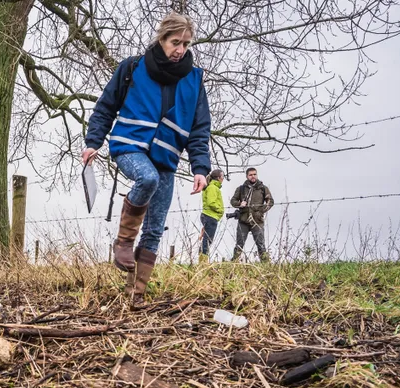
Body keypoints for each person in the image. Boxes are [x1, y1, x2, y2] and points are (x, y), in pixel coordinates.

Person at [83, 12, 212, 305]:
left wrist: (200, 168)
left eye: (186, 44)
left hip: (165, 157)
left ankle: (135, 296)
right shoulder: (132, 68)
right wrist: (93, 142)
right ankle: (124, 242)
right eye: (175, 42)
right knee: (147, 178)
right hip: (129, 146)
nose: (180, 50)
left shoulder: (194, 80)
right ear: (162, 39)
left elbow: (199, 128)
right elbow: (105, 108)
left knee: (155, 229)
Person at [230, 167, 273, 262]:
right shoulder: (241, 189)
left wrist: (261, 211)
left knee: (261, 245)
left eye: (254, 174)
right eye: (250, 175)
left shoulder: (263, 188)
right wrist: (239, 204)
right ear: (247, 176)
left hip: (257, 221)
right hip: (243, 220)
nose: (253, 176)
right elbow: (233, 201)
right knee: (239, 245)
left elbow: (270, 201)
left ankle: (266, 265)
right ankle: (233, 264)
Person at [199, 169, 224, 262]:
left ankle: (202, 260)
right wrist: (220, 209)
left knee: (207, 239)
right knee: (207, 240)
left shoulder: (212, 187)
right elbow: (211, 202)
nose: (223, 179)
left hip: (210, 216)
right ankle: (203, 261)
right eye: (222, 177)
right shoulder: (213, 188)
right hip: (210, 216)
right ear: (218, 178)